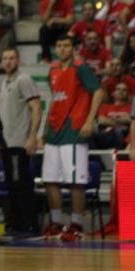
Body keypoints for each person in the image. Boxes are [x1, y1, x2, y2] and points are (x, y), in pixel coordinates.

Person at [42, 35, 105, 242]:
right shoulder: (52, 69)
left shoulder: (81, 68)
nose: (62, 48)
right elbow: (54, 100)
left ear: (73, 48)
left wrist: (89, 120)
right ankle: (57, 222)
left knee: (75, 181)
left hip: (74, 130)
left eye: (66, 45)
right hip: (54, 131)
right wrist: (44, 129)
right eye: (59, 45)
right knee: (50, 179)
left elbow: (98, 92)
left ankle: (77, 225)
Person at [0, 48, 42, 237]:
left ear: (18, 61)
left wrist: (32, 136)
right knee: (12, 185)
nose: (8, 62)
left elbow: (36, 107)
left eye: (11, 58)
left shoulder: (23, 80)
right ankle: (16, 223)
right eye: (5, 58)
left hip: (19, 142)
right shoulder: (4, 82)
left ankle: (28, 224)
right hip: (7, 142)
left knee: (21, 184)